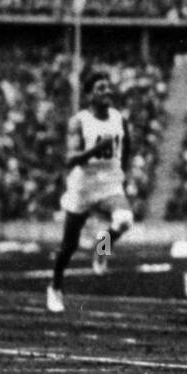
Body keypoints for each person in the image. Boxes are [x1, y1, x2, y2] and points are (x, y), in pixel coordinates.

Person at [47, 70, 134, 312]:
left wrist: (123, 174)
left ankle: (101, 249)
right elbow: (70, 159)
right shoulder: (80, 121)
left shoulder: (119, 119)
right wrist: (95, 151)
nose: (107, 92)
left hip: (109, 183)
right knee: (69, 245)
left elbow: (126, 146)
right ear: (89, 95)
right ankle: (55, 287)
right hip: (83, 185)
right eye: (100, 88)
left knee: (124, 220)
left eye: (108, 87)